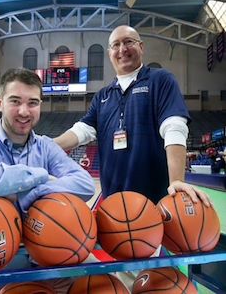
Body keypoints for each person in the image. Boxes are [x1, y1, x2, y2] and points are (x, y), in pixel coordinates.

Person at [0, 68, 95, 294]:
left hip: (41, 261)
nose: (24, 111)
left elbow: (84, 184)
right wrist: (33, 176)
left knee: (100, 276)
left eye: (33, 103)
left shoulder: (45, 146)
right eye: (15, 101)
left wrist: (36, 191)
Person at [55, 25, 211, 208]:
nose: (122, 49)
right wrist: (47, 145)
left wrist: (176, 180)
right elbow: (82, 131)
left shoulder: (161, 80)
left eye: (128, 42)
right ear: (109, 53)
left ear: (141, 47)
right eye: (116, 45)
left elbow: (174, 126)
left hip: (156, 202)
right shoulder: (102, 96)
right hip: (113, 204)